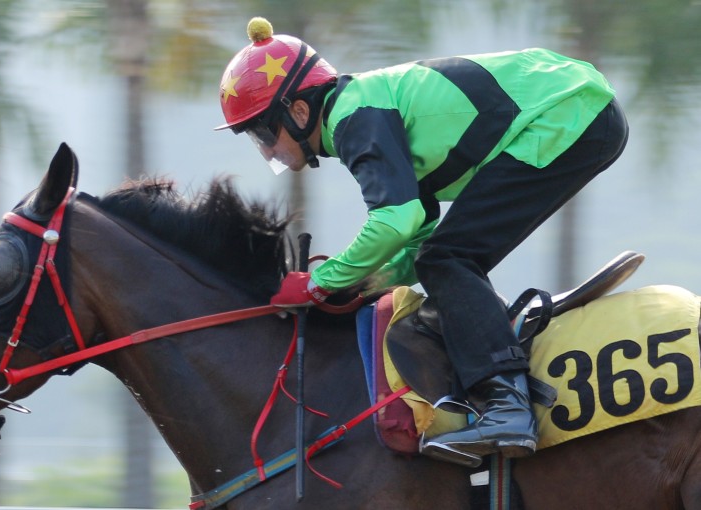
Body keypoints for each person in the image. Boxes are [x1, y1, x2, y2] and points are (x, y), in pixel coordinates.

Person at [216, 17, 628, 466]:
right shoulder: (362, 110)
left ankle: (507, 406)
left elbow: (396, 221)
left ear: (299, 111)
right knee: (443, 256)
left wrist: (320, 282)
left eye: (263, 132)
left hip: (569, 113)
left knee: (449, 259)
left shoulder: (354, 117)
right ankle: (501, 388)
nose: (265, 149)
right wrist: (368, 285)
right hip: (579, 110)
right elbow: (418, 234)